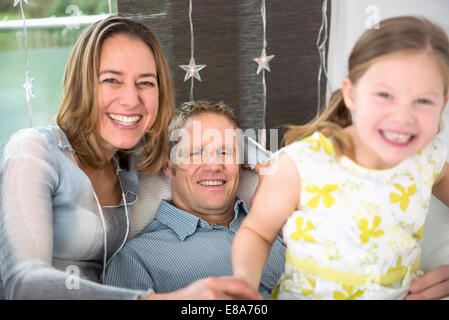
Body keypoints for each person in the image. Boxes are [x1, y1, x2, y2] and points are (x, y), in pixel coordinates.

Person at [0, 16, 260, 300]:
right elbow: (22, 283)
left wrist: (267, 168)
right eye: (112, 80)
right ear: (81, 84)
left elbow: (214, 140)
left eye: (145, 83)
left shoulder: (134, 162)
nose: (131, 99)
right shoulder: (33, 150)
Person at [232, 16, 449, 300]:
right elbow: (258, 233)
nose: (402, 118)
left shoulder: (428, 157)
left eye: (423, 101)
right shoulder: (301, 165)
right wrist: (244, 284)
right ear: (352, 94)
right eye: (385, 95)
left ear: (443, 104)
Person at [104, 101, 285, 299]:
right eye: (195, 153)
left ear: (241, 164)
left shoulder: (283, 225)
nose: (214, 166)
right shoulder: (135, 258)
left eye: (225, 152)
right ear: (168, 166)